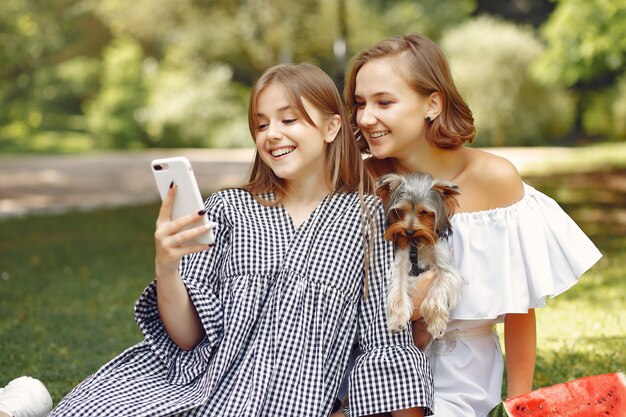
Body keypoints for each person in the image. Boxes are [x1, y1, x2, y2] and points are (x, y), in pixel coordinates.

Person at [44, 63, 432, 416]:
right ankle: (23, 401)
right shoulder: (228, 208)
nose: (272, 135)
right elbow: (187, 337)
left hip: (295, 405)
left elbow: (386, 344)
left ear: (331, 128)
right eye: (261, 125)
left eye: (289, 119)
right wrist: (166, 264)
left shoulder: (371, 220)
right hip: (201, 394)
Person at [344, 33, 602, 416]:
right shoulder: (363, 183)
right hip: (376, 369)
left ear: (432, 104)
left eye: (384, 102)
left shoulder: (494, 179)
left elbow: (519, 307)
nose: (366, 118)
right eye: (360, 103)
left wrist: (520, 403)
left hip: (462, 375)